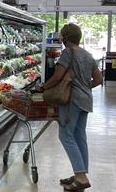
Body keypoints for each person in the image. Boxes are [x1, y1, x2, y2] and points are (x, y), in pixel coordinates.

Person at [41, 23, 103, 191]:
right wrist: (85, 87)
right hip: (86, 100)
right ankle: (80, 174)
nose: (61, 40)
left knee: (66, 135)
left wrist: (44, 86)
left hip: (71, 101)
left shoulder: (68, 53)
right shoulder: (88, 55)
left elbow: (58, 76)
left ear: (66, 38)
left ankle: (81, 177)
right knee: (79, 135)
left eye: (62, 37)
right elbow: (98, 79)